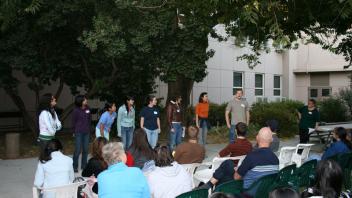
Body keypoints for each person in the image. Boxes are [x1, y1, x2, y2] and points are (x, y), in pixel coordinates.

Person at [196, 123, 252, 189]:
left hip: (232, 170)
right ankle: (208, 185)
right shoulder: (249, 145)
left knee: (223, 165)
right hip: (241, 170)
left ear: (236, 131)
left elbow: (220, 155)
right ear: (245, 132)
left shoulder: (233, 144)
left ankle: (207, 185)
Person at [235, 127, 279, 196]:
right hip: (266, 192)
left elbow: (236, 177)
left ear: (257, 138)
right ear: (271, 140)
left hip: (249, 193)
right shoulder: (275, 159)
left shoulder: (251, 157)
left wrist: (237, 170)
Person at [72, 95, 91, 173]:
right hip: (78, 132)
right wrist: (73, 131)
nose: (86, 100)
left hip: (86, 132)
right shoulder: (76, 110)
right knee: (78, 150)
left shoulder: (88, 109)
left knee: (86, 150)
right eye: (84, 100)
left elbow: (89, 119)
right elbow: (73, 122)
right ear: (81, 101)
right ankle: (75, 166)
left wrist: (89, 129)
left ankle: (84, 166)